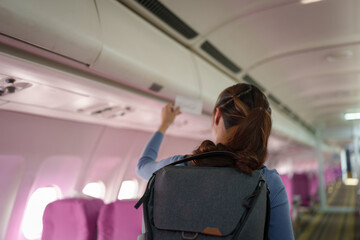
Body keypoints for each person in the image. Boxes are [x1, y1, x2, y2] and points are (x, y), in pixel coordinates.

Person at [136, 83, 295, 240]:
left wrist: (164, 125)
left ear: (217, 115)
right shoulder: (268, 182)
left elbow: (142, 166)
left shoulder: (178, 166)